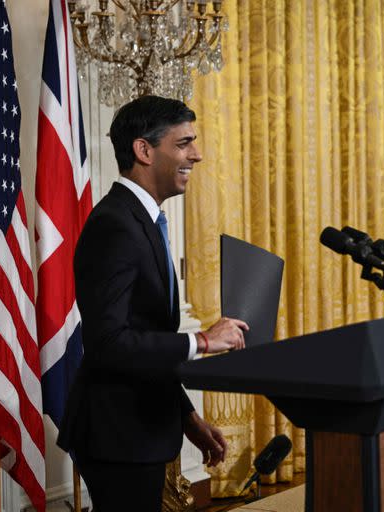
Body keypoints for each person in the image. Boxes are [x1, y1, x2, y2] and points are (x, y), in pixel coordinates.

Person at [57, 96, 250, 511]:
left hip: (140, 426)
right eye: (183, 144)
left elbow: (144, 334)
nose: (196, 155)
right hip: (118, 435)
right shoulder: (116, 225)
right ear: (144, 150)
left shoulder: (142, 220)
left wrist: (186, 416)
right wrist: (201, 341)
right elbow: (109, 343)